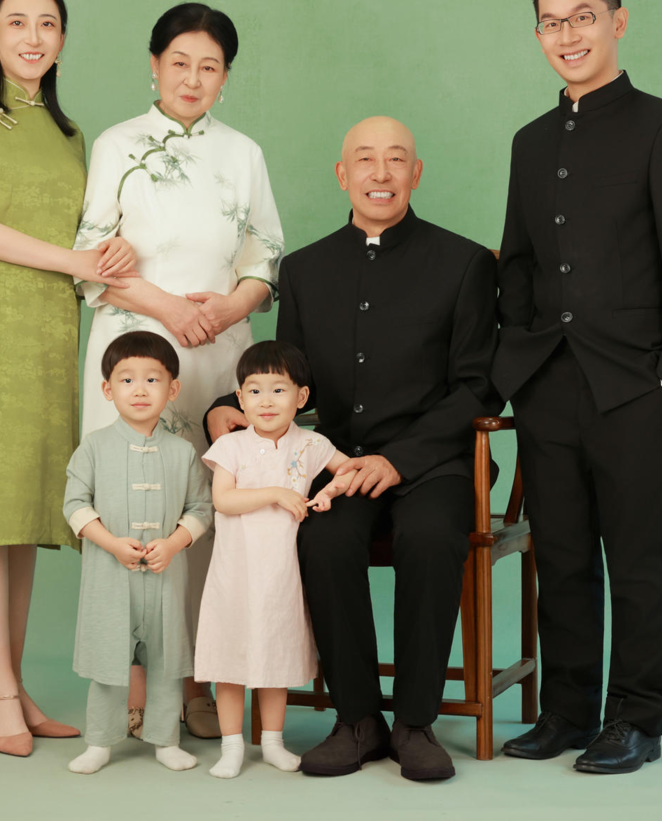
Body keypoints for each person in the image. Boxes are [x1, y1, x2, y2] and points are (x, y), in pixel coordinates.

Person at [205, 116, 499, 782]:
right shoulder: (305, 269)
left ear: (415, 173)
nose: (380, 173)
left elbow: (478, 384)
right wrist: (227, 403)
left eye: (396, 159)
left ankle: (415, 723)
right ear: (343, 175)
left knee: (430, 538)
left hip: (433, 463)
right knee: (324, 539)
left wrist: (401, 459)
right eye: (365, 159)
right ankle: (358, 719)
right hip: (338, 463)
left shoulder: (464, 263)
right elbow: (289, 373)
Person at [494, 0, 662, 774]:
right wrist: (518, 363)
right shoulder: (530, 141)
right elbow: (518, 261)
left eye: (581, 17)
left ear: (616, 21)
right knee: (562, 554)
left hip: (636, 384)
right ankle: (568, 710)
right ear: (539, 35)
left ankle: (635, 719)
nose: (568, 35)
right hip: (548, 380)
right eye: (552, 22)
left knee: (640, 559)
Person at [0, 0, 136, 757]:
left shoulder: (70, 132)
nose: (32, 36)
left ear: (62, 39)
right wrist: (74, 259)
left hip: (52, 334)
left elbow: (90, 238)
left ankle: (5, 685)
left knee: (24, 513)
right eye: (16, 22)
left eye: (48, 23)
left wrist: (112, 256)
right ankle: (2, 688)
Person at [75, 2, 285, 740]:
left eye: (210, 66)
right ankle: (132, 683)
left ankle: (199, 679)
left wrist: (227, 310)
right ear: (154, 65)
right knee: (130, 507)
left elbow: (265, 257)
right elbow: (92, 261)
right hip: (133, 348)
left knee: (209, 511)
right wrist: (170, 308)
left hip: (217, 354)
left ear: (226, 77)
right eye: (179, 63)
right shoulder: (117, 144)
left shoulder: (244, 153)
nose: (193, 79)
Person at [195, 341, 359, 779]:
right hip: (235, 573)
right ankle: (232, 745)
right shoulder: (231, 447)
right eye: (254, 391)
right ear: (240, 397)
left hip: (281, 574)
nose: (265, 401)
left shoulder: (311, 443)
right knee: (230, 657)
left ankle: (272, 742)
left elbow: (350, 470)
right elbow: (224, 501)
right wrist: (277, 494)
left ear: (301, 397)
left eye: (278, 390)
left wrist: (328, 491)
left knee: (275, 654)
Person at [63, 332, 214, 775]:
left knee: (167, 663)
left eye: (153, 379)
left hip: (167, 580)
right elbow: (74, 505)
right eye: (127, 379)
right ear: (107, 389)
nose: (140, 389)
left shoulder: (183, 452)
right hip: (110, 578)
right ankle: (99, 742)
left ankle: (165, 740)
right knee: (109, 663)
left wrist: (173, 543)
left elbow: (201, 509)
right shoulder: (93, 447)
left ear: (173, 388)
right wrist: (112, 543)